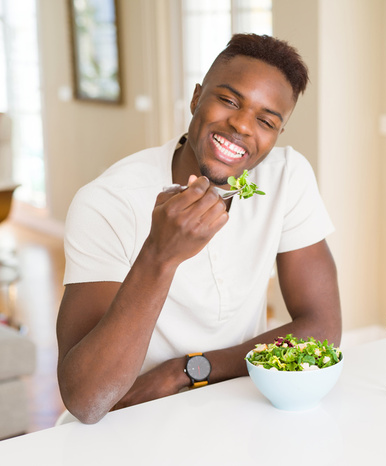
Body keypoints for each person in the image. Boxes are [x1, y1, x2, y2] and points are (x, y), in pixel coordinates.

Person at [56, 34, 342, 424]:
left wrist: (187, 371)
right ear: (196, 99)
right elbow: (86, 400)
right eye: (228, 100)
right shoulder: (107, 202)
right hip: (129, 420)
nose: (241, 124)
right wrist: (160, 255)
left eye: (266, 121)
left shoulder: (287, 177)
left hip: (235, 407)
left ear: (276, 136)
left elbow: (322, 328)